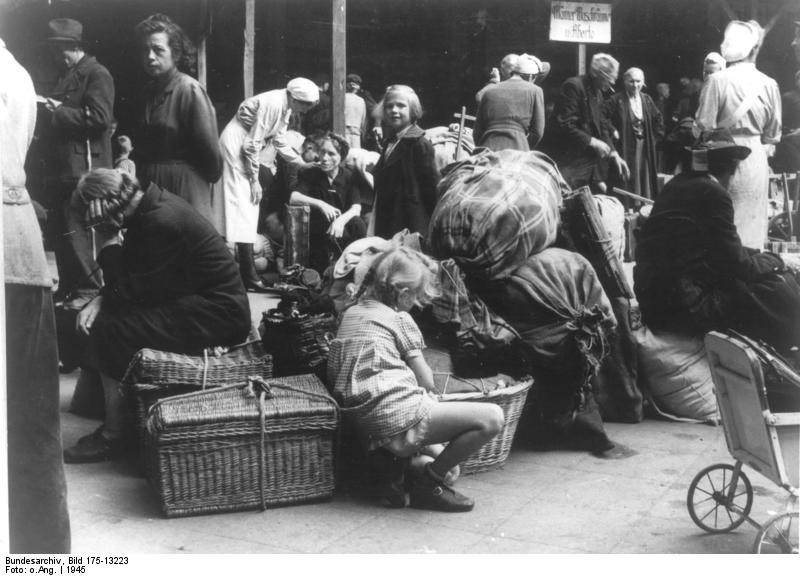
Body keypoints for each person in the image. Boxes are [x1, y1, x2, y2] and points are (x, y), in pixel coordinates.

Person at [62, 168, 251, 463]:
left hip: (217, 314)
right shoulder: (153, 206)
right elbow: (136, 280)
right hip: (203, 304)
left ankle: (115, 435)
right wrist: (102, 297)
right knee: (110, 318)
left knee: (112, 328)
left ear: (105, 206)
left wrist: (108, 240)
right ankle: (114, 414)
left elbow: (133, 295)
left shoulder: (159, 221)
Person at [327, 247, 504, 512]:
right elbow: (427, 381)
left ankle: (399, 469)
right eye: (418, 297)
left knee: (442, 455)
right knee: (493, 418)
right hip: (395, 415)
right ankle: (429, 485)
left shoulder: (351, 313)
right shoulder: (399, 318)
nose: (419, 303)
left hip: (366, 421)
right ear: (404, 294)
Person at [634, 129, 800, 354]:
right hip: (684, 306)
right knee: (775, 289)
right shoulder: (714, 193)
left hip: (654, 300)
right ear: (731, 170)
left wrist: (759, 255)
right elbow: (740, 267)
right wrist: (778, 260)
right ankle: (778, 354)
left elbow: (719, 249)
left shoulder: (676, 184)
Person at [2, 36, 71, 554]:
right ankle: (42, 551)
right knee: (29, 417)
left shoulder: (10, 76)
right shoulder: (16, 71)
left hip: (11, 253)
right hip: (17, 243)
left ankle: (40, 557)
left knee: (26, 416)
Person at [218, 78, 319, 291]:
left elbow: (278, 140)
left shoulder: (285, 106)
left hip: (246, 146)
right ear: (295, 97)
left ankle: (247, 273)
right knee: (244, 203)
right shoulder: (273, 103)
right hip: (237, 144)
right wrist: (254, 180)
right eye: (305, 105)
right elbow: (251, 145)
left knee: (247, 208)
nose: (305, 110)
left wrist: (300, 162)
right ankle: (248, 274)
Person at [43, 18, 115, 309]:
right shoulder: (70, 74)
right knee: (64, 233)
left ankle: (89, 291)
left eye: (59, 49)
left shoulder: (97, 74)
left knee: (81, 234)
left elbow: (99, 119)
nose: (55, 55)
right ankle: (71, 288)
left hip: (84, 170)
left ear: (72, 47)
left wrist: (58, 111)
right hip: (66, 169)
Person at [696, 20, 782, 249]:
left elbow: (704, 126)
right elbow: (773, 134)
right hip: (754, 158)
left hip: (722, 158)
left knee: (722, 223)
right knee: (751, 227)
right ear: (754, 48)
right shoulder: (769, 84)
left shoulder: (716, 80)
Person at [134, 13, 222, 224]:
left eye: (158, 49)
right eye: (145, 50)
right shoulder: (148, 92)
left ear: (176, 52)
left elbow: (210, 155)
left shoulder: (189, 90)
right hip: (153, 185)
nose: (150, 57)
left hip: (183, 187)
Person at [540, 52, 630, 192]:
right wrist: (593, 141)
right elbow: (564, 124)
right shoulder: (574, 86)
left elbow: (602, 125)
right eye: (609, 78)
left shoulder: (598, 92)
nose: (612, 83)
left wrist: (613, 153)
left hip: (587, 163)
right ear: (597, 74)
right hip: (569, 161)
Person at [289, 132, 369, 274]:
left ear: (341, 157)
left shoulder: (349, 176)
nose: (325, 158)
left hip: (341, 226)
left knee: (357, 223)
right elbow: (294, 197)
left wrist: (340, 221)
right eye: (322, 152)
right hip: (318, 229)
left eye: (331, 154)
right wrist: (321, 204)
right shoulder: (311, 173)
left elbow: (356, 207)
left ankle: (359, 270)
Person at [370, 85, 440, 240]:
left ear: (413, 110)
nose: (394, 110)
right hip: (388, 218)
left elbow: (431, 188)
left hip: (410, 221)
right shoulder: (390, 141)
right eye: (389, 106)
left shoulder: (418, 143)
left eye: (401, 105)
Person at [605, 67, 664, 203]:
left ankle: (642, 205)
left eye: (638, 81)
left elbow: (658, 119)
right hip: (625, 145)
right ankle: (629, 206)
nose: (635, 85)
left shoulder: (647, 99)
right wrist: (612, 129)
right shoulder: (616, 99)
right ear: (625, 81)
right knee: (628, 175)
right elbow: (602, 117)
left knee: (644, 175)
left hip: (645, 146)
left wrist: (654, 139)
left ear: (643, 82)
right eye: (631, 81)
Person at [473, 53, 546, 151]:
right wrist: (524, 147)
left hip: (488, 147)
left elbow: (477, 131)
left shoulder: (489, 90)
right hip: (518, 148)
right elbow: (538, 132)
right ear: (531, 77)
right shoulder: (536, 90)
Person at [344, 73, 368, 149]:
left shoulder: (341, 98)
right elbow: (363, 122)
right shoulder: (361, 101)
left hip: (343, 132)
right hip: (356, 135)